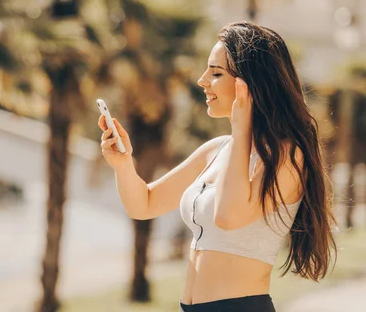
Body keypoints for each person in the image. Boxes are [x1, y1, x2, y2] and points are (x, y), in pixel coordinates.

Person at [98, 22, 337, 312]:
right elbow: (144, 205)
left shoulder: (288, 155)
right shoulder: (216, 150)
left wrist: (242, 128)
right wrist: (123, 165)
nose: (202, 81)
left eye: (215, 73)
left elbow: (227, 215)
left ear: (250, 83)